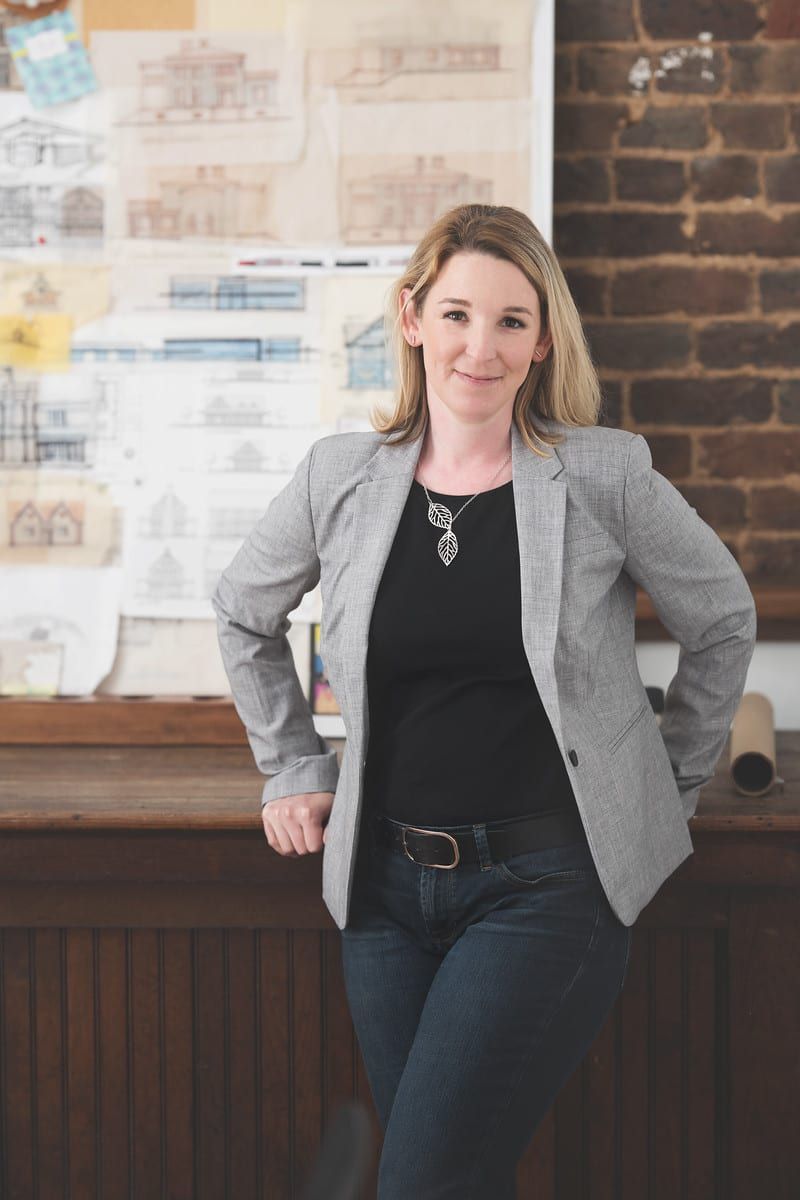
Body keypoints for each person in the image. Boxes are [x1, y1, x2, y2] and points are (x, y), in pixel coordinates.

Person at [211, 203, 757, 1198]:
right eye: (456, 313)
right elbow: (242, 613)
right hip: (379, 891)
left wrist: (664, 785)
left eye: (510, 320)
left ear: (543, 339)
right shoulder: (339, 476)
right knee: (454, 1177)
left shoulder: (601, 472)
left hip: (545, 886)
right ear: (412, 318)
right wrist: (290, 763)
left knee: (422, 1182)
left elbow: (719, 619)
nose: (479, 346)